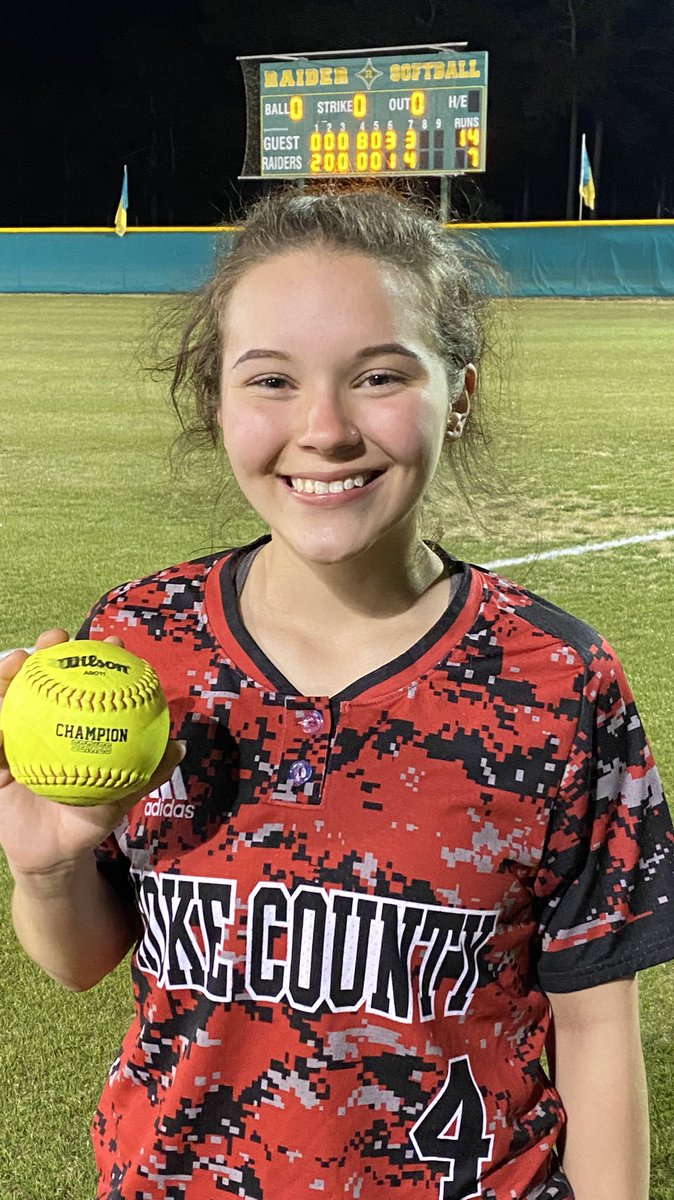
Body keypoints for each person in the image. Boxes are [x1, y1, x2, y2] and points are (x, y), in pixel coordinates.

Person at [1, 187, 673, 1200]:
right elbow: (82, 961)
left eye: (378, 376)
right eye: (270, 379)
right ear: (214, 401)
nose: (322, 429)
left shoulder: (556, 683)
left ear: (460, 392)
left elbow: (589, 1023)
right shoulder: (141, 647)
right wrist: (50, 869)